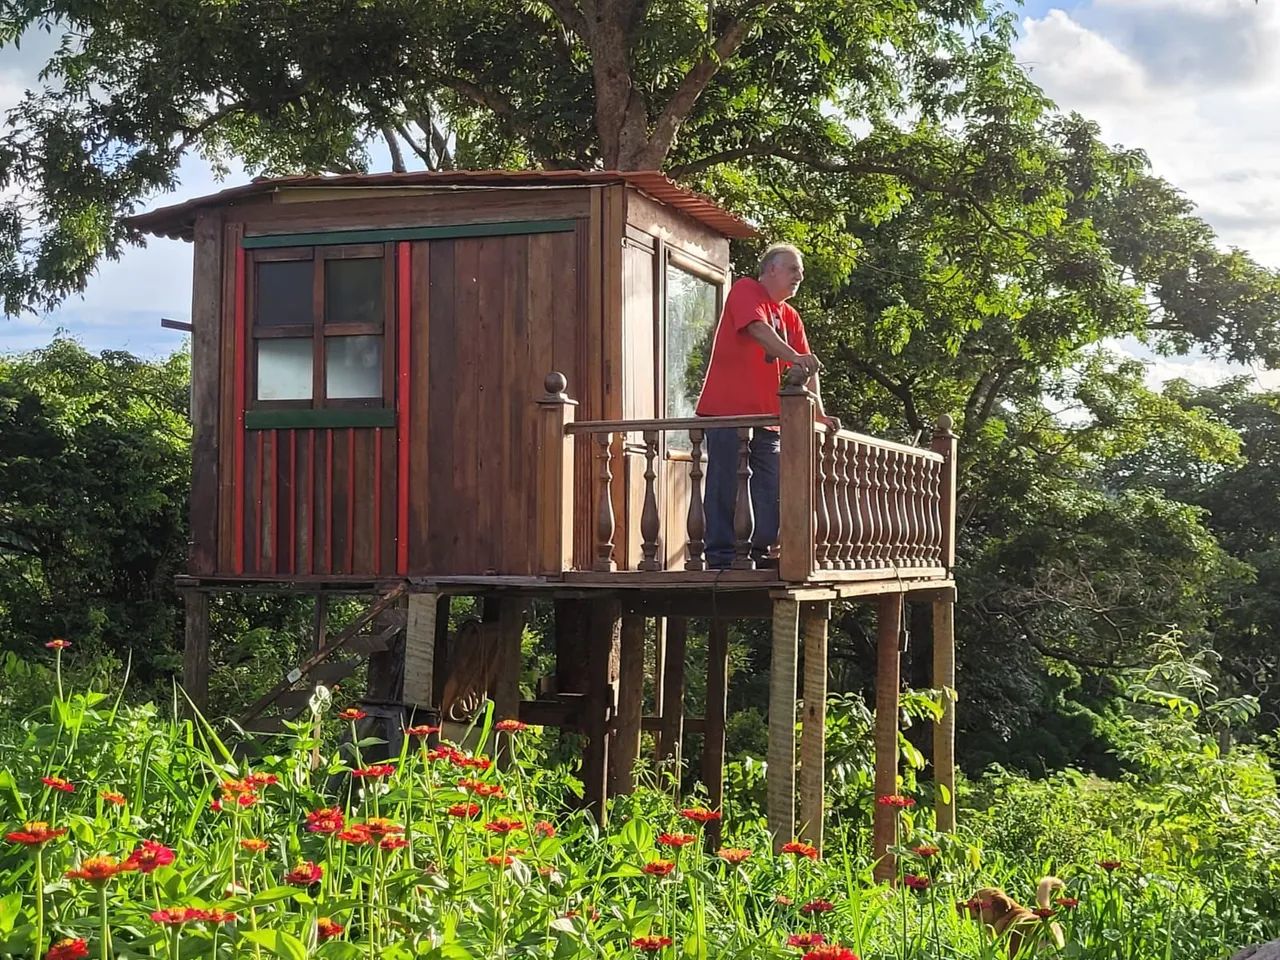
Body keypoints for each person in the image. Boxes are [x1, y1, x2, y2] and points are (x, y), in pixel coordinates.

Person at [694, 243, 831, 569]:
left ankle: (759, 552)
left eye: (800, 271)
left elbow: (809, 369)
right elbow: (757, 329)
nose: (800, 276)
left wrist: (820, 414)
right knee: (725, 482)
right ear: (771, 269)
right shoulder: (746, 290)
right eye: (793, 269)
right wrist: (794, 358)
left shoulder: (790, 316)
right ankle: (721, 556)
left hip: (767, 419)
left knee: (768, 488)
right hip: (726, 413)